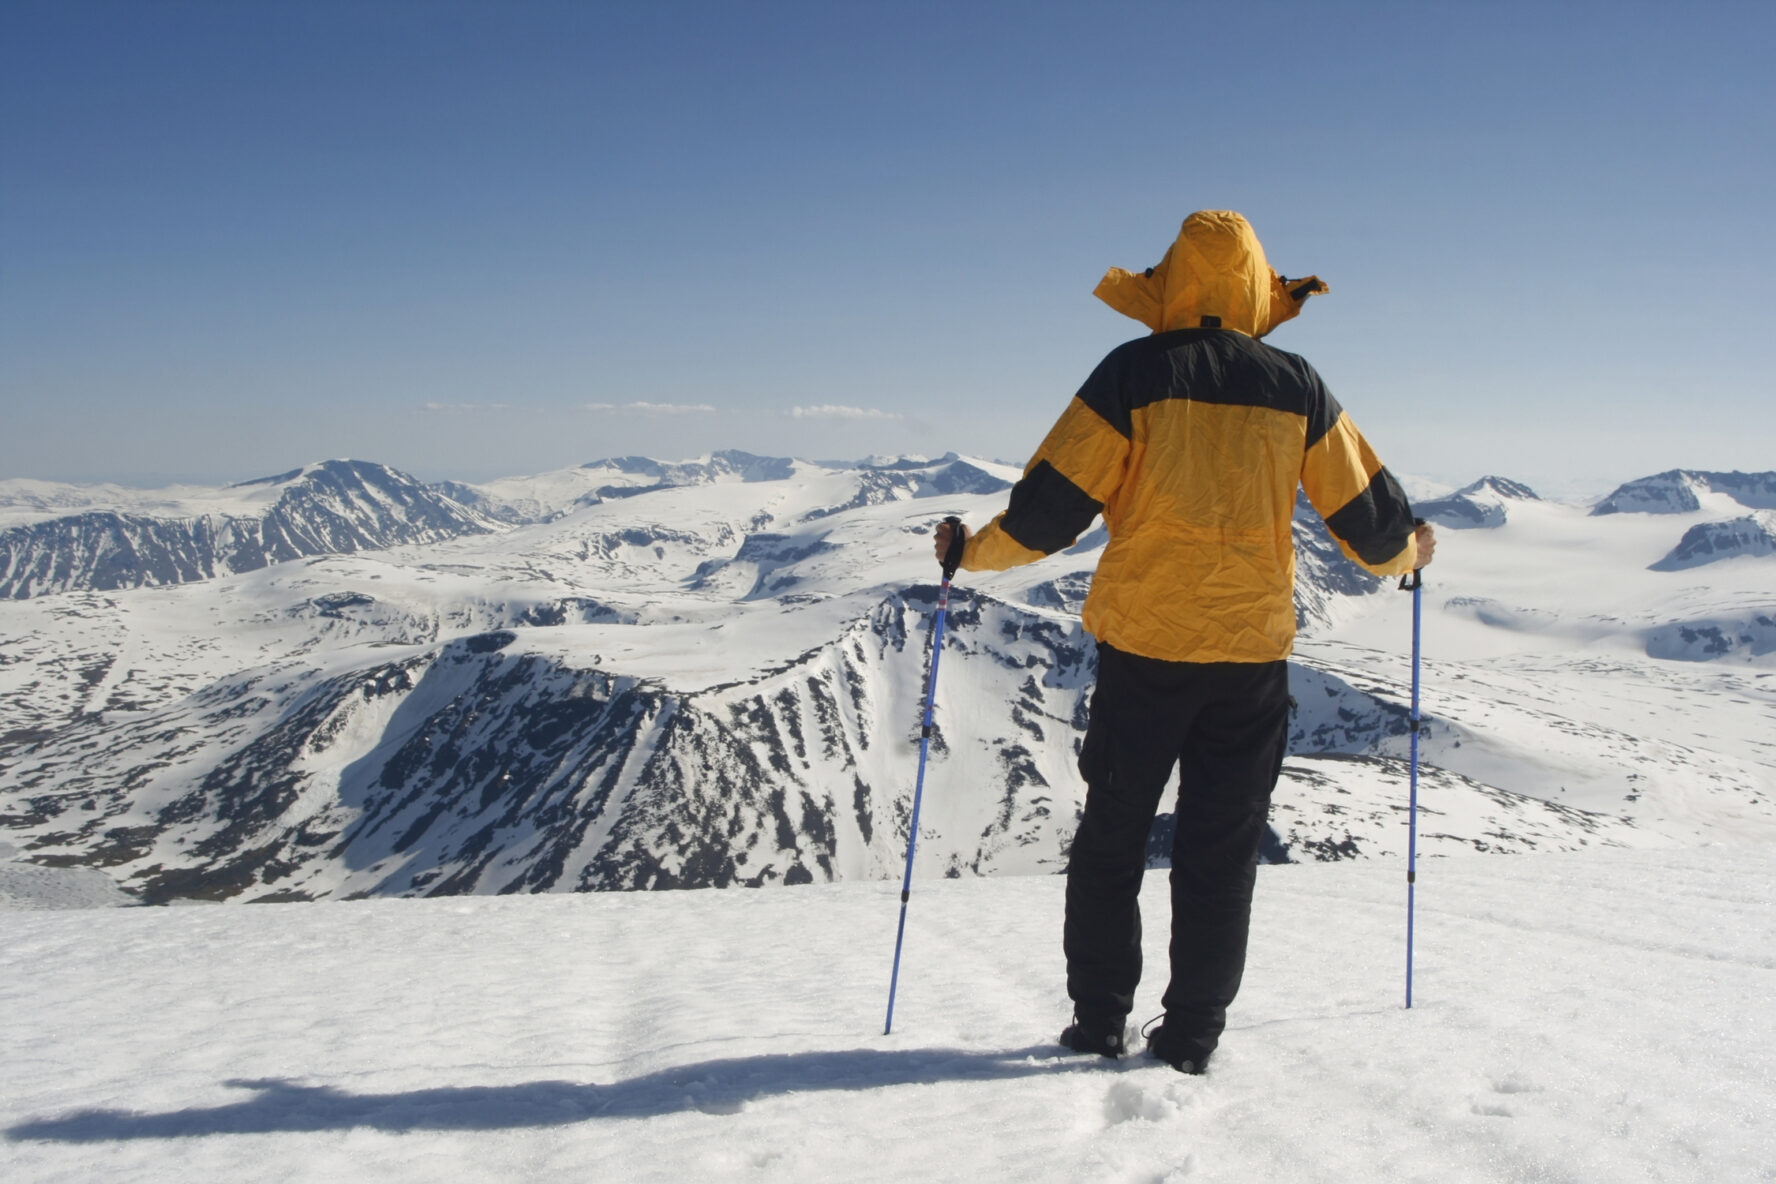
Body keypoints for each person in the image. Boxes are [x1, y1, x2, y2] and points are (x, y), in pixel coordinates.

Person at [932, 210, 1435, 1074]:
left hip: (1146, 653)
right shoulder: (1298, 385)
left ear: (1174, 280)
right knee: (1220, 851)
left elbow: (1054, 508)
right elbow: (1364, 510)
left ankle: (1098, 1023)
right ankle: (1193, 1034)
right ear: (1255, 285)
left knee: (1112, 839)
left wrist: (971, 551)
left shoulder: (1132, 373)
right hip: (1249, 664)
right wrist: (1406, 552)